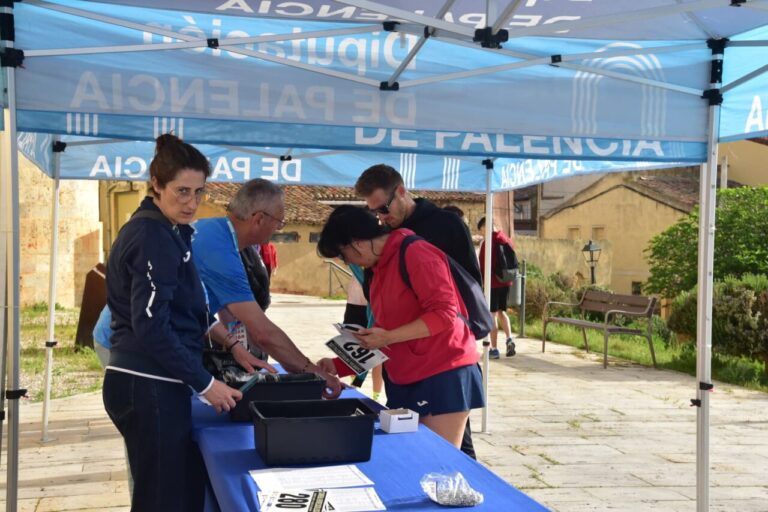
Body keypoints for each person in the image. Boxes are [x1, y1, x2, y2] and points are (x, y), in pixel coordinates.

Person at [102, 134, 253, 512]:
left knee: (176, 493)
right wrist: (206, 384)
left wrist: (231, 344)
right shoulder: (152, 235)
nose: (191, 202)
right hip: (146, 382)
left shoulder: (168, 229)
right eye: (182, 191)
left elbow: (185, 311)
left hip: (155, 381)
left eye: (199, 192)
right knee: (160, 500)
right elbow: (151, 326)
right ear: (156, 184)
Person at [317, 206, 484, 448]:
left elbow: (444, 313)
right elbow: (382, 332)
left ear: (357, 244)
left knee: (436, 461)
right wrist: (338, 365)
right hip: (406, 377)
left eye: (343, 255)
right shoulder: (379, 268)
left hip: (443, 374)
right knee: (411, 456)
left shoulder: (417, 253)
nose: (347, 262)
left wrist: (388, 337)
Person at [354, 164, 481, 459]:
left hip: (442, 357)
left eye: (383, 208)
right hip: (401, 357)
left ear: (401, 191)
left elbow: (469, 288)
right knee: (410, 448)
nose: (381, 217)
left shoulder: (445, 225)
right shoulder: (385, 234)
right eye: (374, 212)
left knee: (453, 454)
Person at [191, 179, 341, 397]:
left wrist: (235, 346)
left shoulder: (213, 231)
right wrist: (313, 372)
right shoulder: (219, 250)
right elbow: (263, 332)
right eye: (279, 223)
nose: (278, 229)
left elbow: (208, 313)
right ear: (259, 219)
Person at [477, 216, 516, 359]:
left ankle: (493, 349)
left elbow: (482, 265)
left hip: (492, 283)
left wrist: (480, 283)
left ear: (484, 227)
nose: (482, 234)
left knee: (491, 315)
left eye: (481, 230)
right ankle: (509, 339)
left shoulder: (487, 242)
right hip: (506, 282)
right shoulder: (506, 239)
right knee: (502, 312)